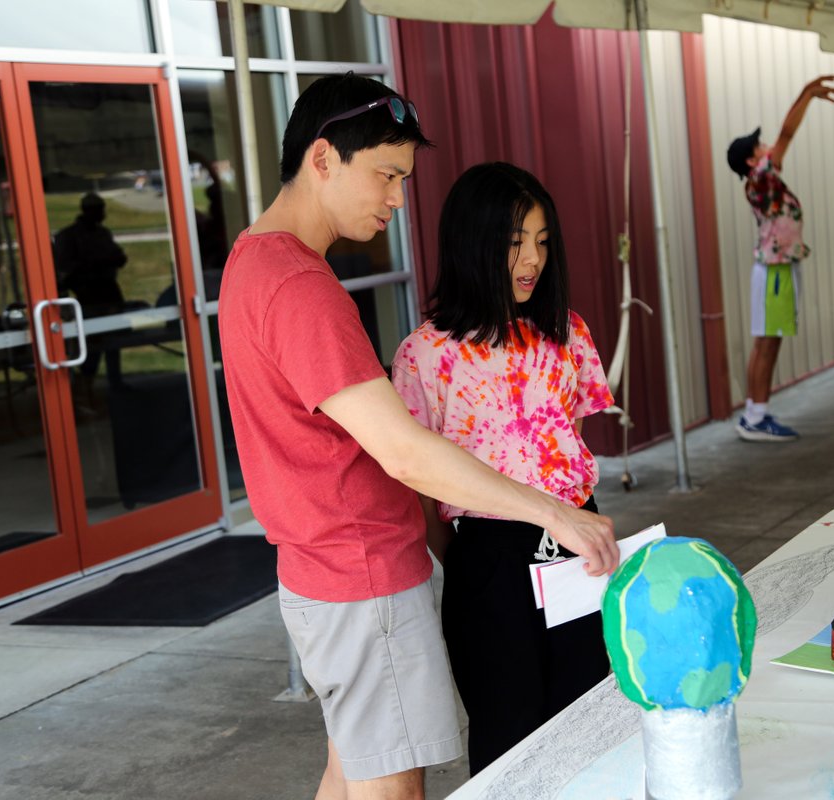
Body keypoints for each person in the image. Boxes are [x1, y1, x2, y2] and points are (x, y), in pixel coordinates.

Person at [217, 75, 619, 800]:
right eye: (387, 176)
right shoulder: (302, 289)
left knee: (351, 774)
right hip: (363, 572)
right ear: (322, 159)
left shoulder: (256, 262)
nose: (398, 200)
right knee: (395, 787)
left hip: (329, 571)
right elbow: (403, 451)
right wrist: (551, 513)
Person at [390, 162, 615, 775]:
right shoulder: (424, 355)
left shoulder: (567, 333)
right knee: (509, 740)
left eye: (542, 242)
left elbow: (568, 449)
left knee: (592, 718)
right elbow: (416, 485)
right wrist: (473, 565)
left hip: (576, 547)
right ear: (473, 240)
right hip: (488, 559)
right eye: (515, 241)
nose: (531, 259)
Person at [725, 75, 834, 443]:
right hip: (775, 271)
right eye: (759, 146)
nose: (766, 147)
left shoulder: (764, 180)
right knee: (767, 341)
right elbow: (787, 135)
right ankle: (755, 416)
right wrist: (807, 93)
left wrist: (806, 94)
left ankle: (755, 412)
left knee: (768, 340)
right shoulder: (760, 178)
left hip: (777, 268)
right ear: (750, 160)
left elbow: (783, 137)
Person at [53, 192, 128, 388]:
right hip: (87, 296)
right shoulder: (69, 236)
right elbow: (66, 270)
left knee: (113, 340)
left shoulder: (102, 233)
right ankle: (87, 385)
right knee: (91, 344)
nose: (102, 214)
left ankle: (115, 381)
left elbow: (118, 257)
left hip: (108, 292)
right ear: (88, 211)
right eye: (98, 209)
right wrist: (95, 264)